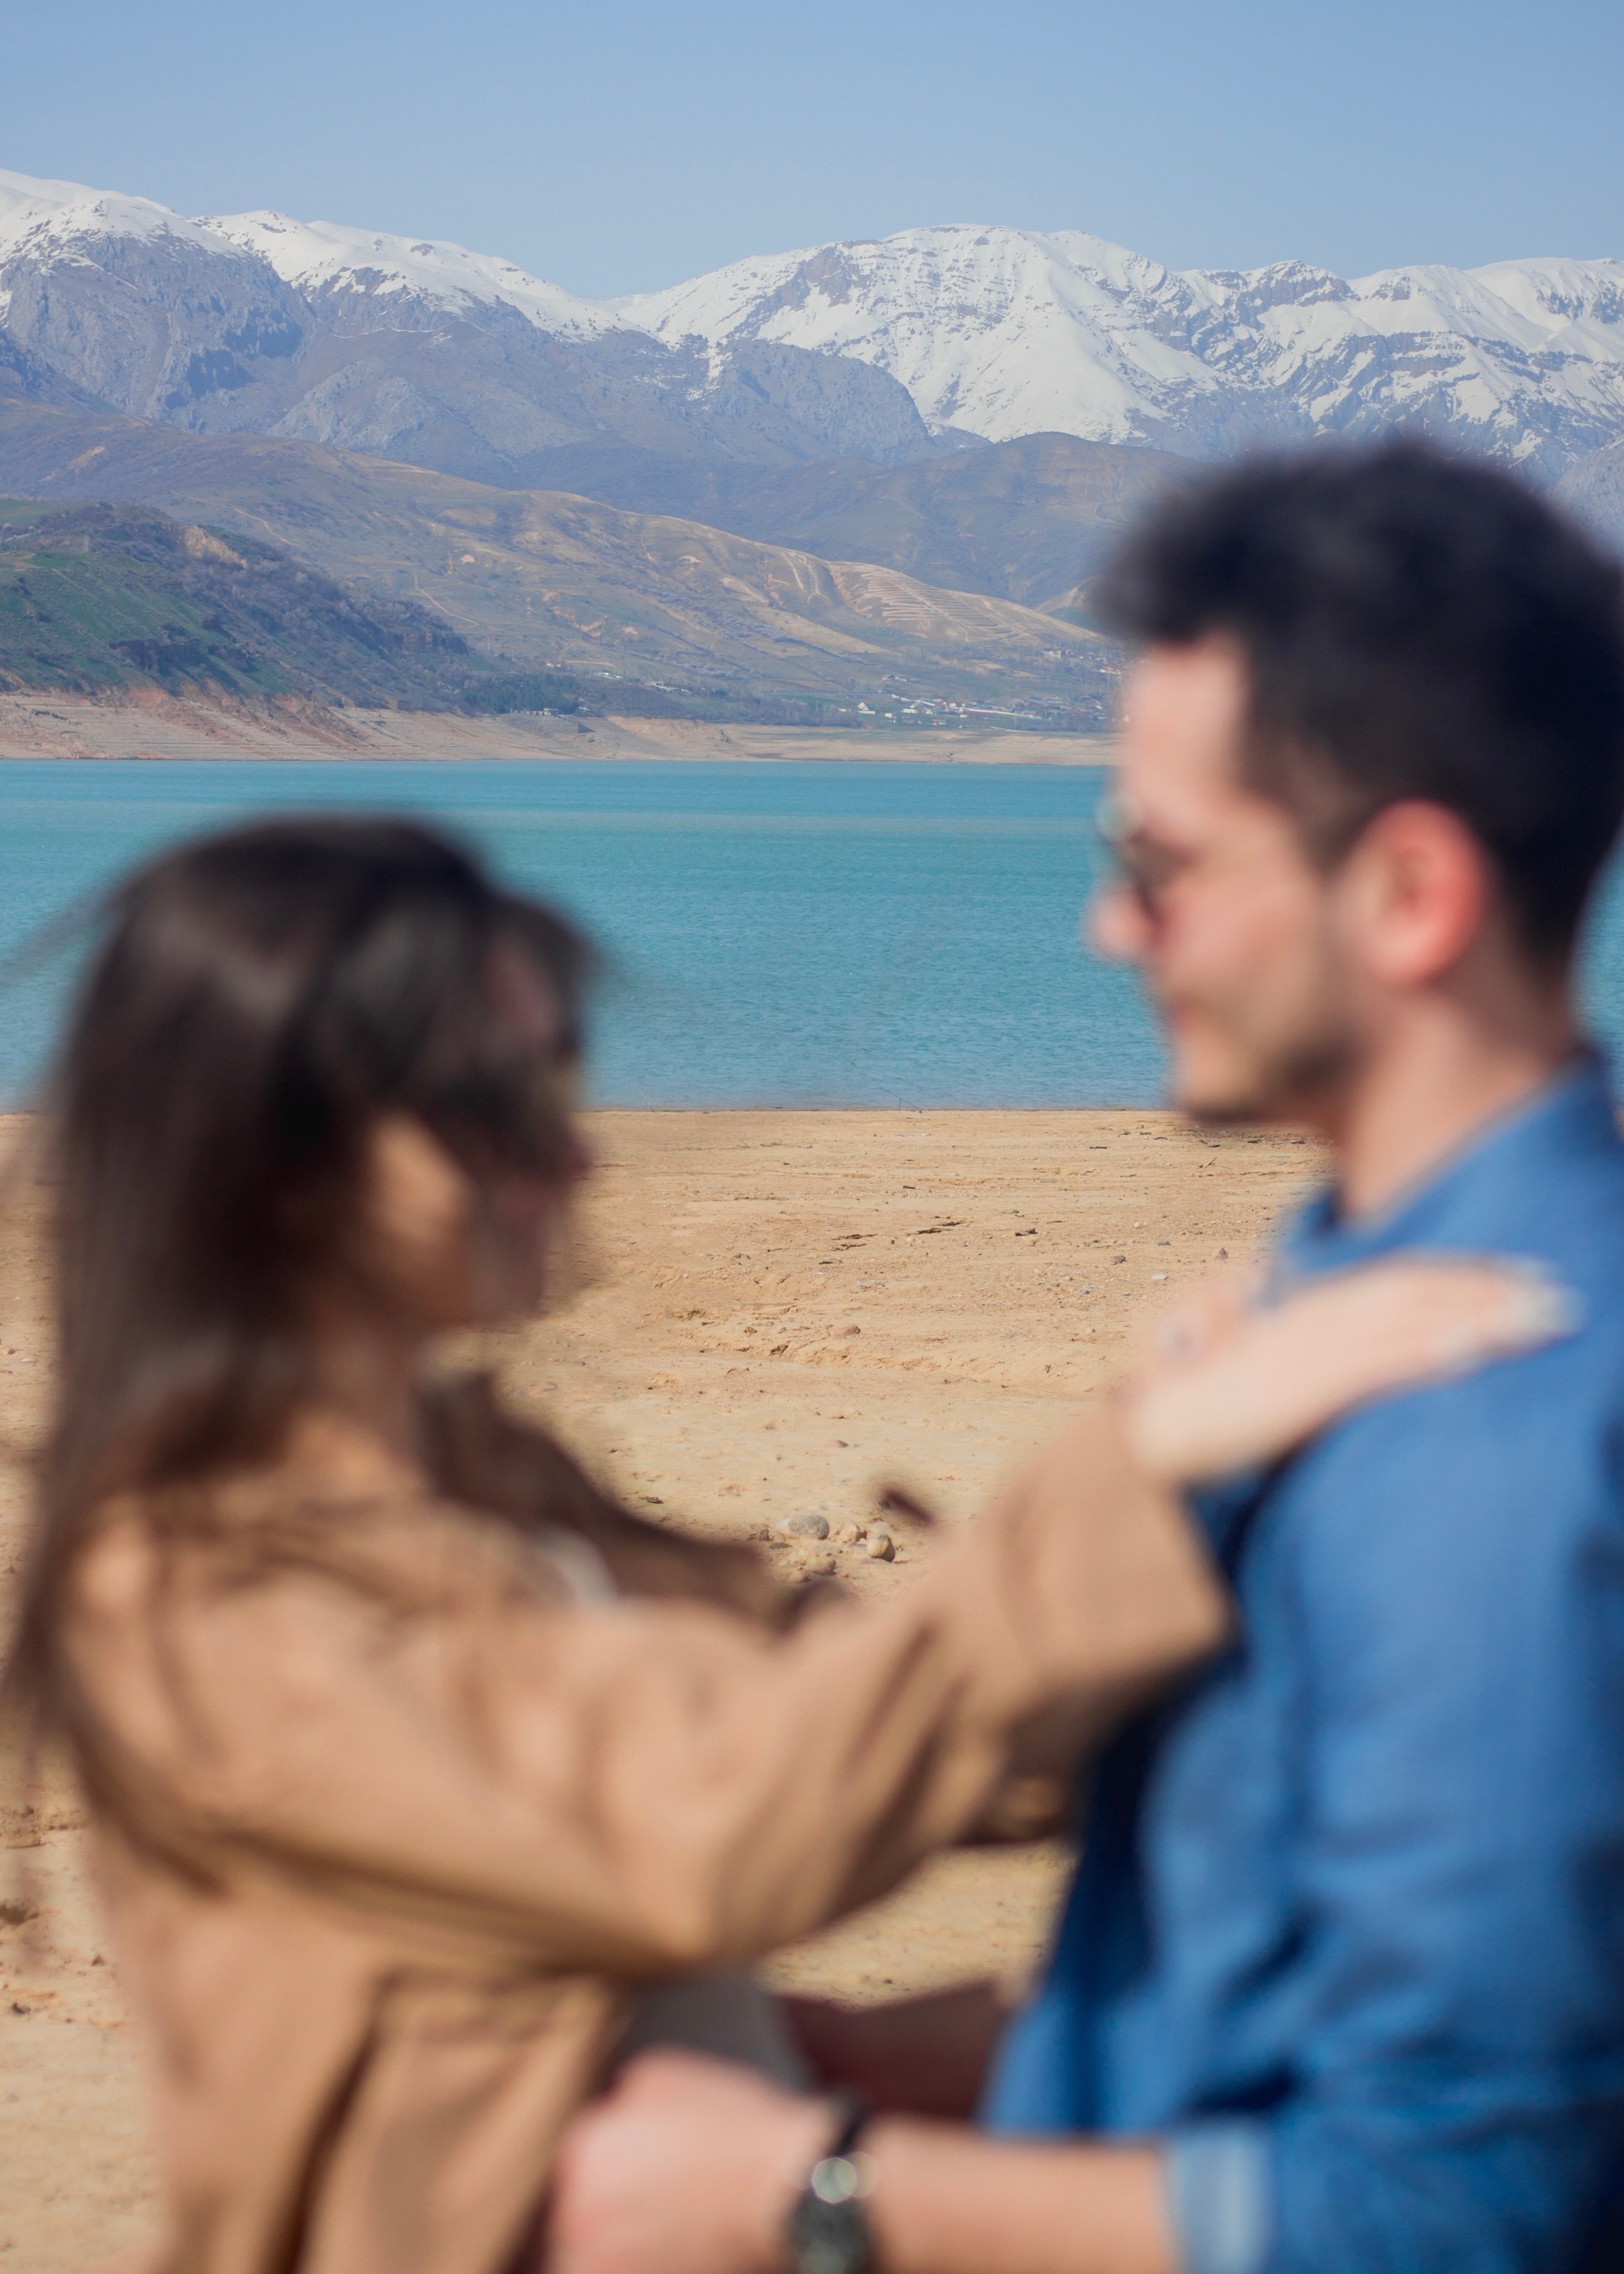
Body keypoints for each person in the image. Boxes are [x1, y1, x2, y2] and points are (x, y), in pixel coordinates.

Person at [0, 815, 1533, 2274]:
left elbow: (855, 1688)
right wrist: (1131, 1469)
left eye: (564, 1076)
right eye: (497, 1108)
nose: (575, 1156)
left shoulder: (483, 1475)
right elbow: (707, 1823)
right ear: (280, 1169)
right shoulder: (193, 1598)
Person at [550, 440, 1624, 2274]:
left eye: (1162, 864)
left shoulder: (1480, 1420)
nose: (1109, 926)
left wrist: (807, 2192)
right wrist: (951, 2055)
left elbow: (1456, 2213)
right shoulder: (1352, 1288)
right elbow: (1283, 1957)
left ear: (1411, 896)